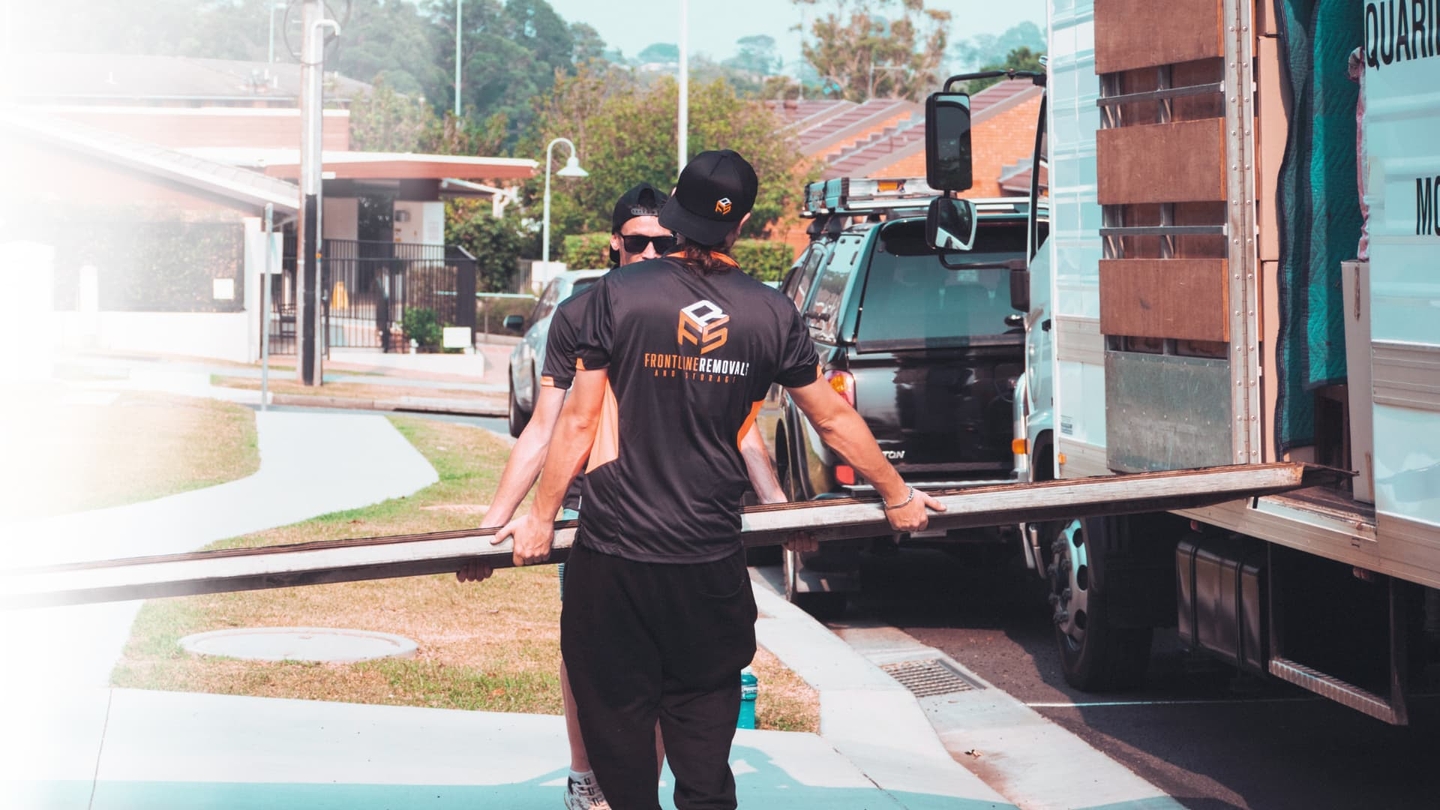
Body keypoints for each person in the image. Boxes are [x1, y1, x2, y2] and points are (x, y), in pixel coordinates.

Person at [498, 150, 943, 810]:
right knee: (704, 762)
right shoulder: (770, 313)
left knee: (621, 755)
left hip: (616, 563)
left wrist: (540, 517)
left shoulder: (615, 298)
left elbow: (577, 423)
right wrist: (896, 493)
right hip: (708, 564)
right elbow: (830, 417)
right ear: (742, 226)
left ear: (676, 214)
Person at [457, 181, 805, 810]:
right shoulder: (587, 312)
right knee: (599, 671)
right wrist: (494, 525)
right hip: (598, 516)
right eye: (639, 242)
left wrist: (777, 503)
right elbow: (549, 426)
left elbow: (742, 423)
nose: (652, 252)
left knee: (666, 685)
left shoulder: (698, 308)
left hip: (684, 532)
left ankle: (626, 789)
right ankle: (588, 777)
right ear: (615, 243)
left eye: (664, 241)